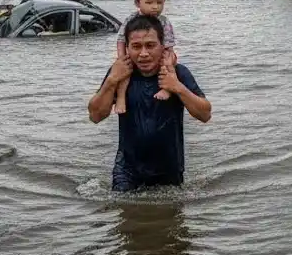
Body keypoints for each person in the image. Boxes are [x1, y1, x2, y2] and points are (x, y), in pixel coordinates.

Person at [89, 14, 212, 191]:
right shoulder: (120, 73)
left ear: (163, 47)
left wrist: (177, 87)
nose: (144, 53)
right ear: (127, 49)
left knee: (170, 216)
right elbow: (95, 116)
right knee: (124, 212)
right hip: (127, 169)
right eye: (136, 47)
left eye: (151, 46)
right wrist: (111, 81)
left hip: (169, 169)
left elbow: (205, 114)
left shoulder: (178, 73)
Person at [115, 0, 177, 111]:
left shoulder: (164, 22)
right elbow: (120, 40)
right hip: (133, 57)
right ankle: (120, 97)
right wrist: (122, 58)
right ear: (138, 3)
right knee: (124, 72)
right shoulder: (131, 20)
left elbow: (169, 45)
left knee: (169, 64)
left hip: (160, 55)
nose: (155, 7)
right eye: (149, 3)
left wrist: (167, 59)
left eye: (159, 3)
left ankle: (167, 89)